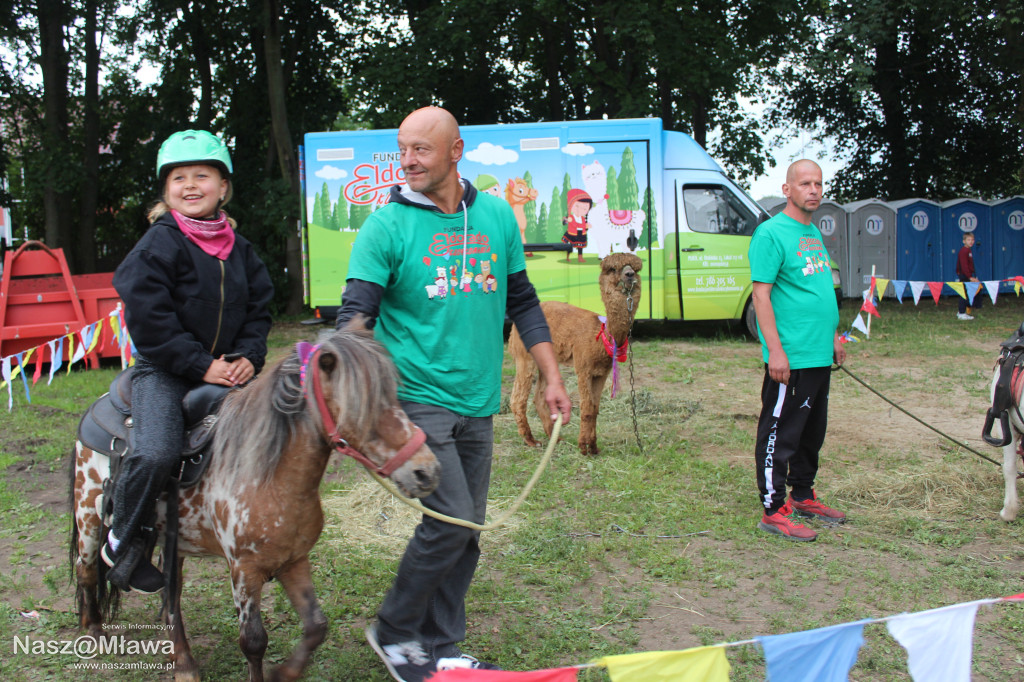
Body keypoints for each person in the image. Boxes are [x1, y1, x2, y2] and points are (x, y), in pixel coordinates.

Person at [335, 106, 572, 682]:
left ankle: (441, 647)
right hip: (413, 399)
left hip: (476, 400)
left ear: (456, 151)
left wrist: (551, 375)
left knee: (466, 533)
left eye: (421, 149)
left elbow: (521, 301)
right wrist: (350, 402)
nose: (408, 161)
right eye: (403, 149)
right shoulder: (386, 226)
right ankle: (394, 629)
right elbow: (354, 321)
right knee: (452, 520)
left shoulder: (493, 215)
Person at [105, 130, 274, 593]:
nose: (191, 185)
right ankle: (123, 541)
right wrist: (201, 365)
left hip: (226, 369)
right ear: (166, 190)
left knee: (275, 431)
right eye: (179, 177)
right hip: (166, 371)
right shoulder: (157, 246)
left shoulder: (240, 250)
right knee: (156, 450)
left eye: (203, 175)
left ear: (224, 187)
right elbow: (149, 319)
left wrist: (247, 358)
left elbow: (259, 311)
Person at [748, 159, 846, 543]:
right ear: (787, 189)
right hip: (791, 357)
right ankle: (773, 509)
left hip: (819, 354)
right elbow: (761, 295)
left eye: (818, 183)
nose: (814, 190)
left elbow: (817, 291)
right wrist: (776, 351)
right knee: (780, 433)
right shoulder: (771, 234)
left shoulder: (812, 233)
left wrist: (833, 336)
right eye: (805, 183)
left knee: (811, 433)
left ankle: (803, 495)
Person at [561, 188, 592, 262]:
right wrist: (566, 220)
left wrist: (586, 227)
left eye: (584, 208)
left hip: (581, 234)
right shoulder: (571, 217)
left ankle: (580, 257)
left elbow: (583, 226)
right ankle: (567, 257)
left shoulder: (583, 218)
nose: (580, 210)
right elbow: (572, 224)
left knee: (580, 246)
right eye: (577, 206)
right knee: (570, 246)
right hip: (572, 234)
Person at [955, 231, 980, 320]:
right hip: (964, 275)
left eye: (972, 240)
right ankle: (961, 313)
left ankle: (961, 311)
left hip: (966, 275)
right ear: (964, 241)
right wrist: (970, 277)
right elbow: (964, 265)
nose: (971, 241)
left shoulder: (968, 250)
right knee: (964, 294)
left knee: (966, 293)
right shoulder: (964, 251)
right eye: (968, 240)